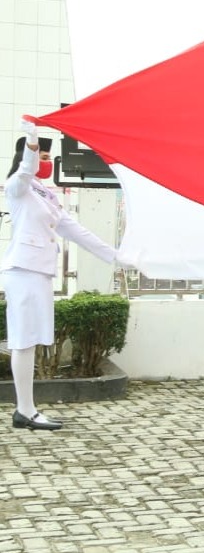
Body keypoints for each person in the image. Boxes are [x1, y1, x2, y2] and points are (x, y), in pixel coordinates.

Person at [2, 119, 125, 431]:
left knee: (32, 340)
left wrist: (118, 257)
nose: (45, 162)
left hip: (40, 272)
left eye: (46, 157)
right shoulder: (18, 187)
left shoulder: (46, 194)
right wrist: (31, 144)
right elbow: (26, 171)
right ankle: (25, 411)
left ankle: (27, 410)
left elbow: (79, 232)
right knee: (24, 341)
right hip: (24, 270)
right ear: (26, 157)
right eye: (42, 157)